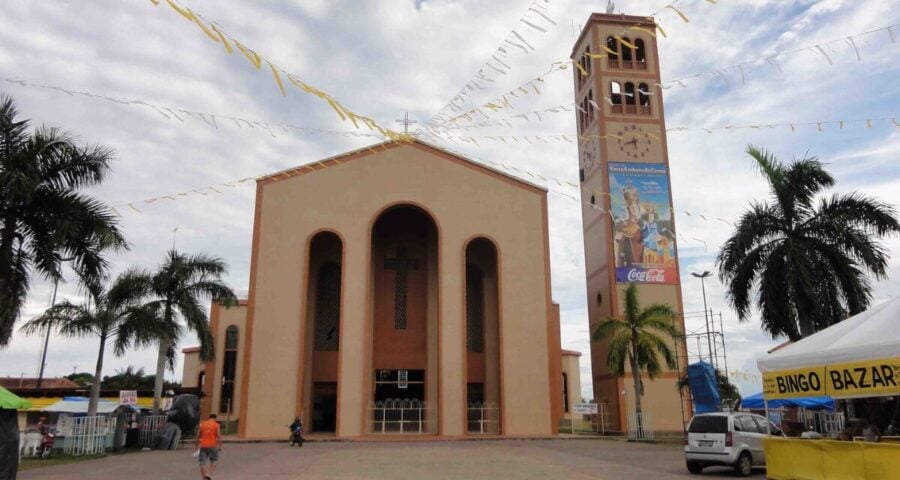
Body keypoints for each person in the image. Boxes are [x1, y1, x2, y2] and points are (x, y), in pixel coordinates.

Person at [195, 413, 222, 480]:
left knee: (202, 462)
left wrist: (196, 445)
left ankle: (204, 477)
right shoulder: (216, 425)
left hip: (203, 445)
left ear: (209, 418)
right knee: (214, 460)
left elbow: (197, 435)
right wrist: (220, 446)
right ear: (215, 418)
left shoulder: (202, 424)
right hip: (213, 445)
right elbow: (218, 436)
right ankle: (209, 475)